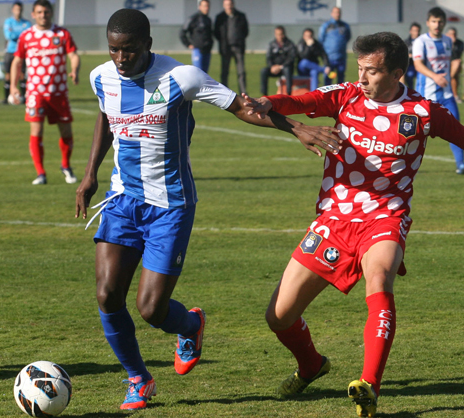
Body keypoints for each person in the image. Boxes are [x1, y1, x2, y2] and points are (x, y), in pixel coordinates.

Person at [245, 31, 464, 418]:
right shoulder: (346, 95)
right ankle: (311, 365)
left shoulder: (423, 113)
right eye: (359, 69)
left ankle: (369, 387)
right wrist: (266, 102)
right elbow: (300, 100)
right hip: (334, 220)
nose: (362, 78)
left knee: (380, 278)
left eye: (371, 72)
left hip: (385, 218)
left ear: (396, 73)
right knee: (278, 316)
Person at [76, 8, 342, 412]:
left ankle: (191, 325)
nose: (120, 59)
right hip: (122, 200)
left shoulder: (183, 77)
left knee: (151, 309)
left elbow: (243, 107)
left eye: (128, 51)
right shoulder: (102, 76)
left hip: (170, 206)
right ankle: (138, 379)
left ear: (147, 44)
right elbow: (105, 118)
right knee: (107, 295)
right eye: (113, 50)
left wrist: (298, 128)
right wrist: (89, 174)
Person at [10, 0, 80, 185]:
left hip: (59, 92)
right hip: (35, 93)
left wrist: (75, 70)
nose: (43, 15)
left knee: (66, 131)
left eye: (46, 12)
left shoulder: (62, 33)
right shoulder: (26, 36)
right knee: (36, 131)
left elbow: (73, 54)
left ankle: (66, 165)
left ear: (51, 13)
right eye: (39, 12)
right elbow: (17, 61)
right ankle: (41, 173)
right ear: (33, 14)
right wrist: (13, 86)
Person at [413, 7, 464, 175]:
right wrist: (434, 76)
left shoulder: (448, 41)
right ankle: (403, 164)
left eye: (440, 21)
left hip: (447, 95)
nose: (437, 25)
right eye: (434, 21)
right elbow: (417, 65)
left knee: (456, 128)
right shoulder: (421, 41)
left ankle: (461, 165)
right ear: (428, 23)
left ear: (444, 23)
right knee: (415, 133)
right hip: (426, 95)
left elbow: (452, 63)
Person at [214, 0, 249, 95]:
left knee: (241, 71)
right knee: (224, 71)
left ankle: (243, 92)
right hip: (225, 48)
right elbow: (216, 33)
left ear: (233, 4)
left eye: (230, 4)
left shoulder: (241, 16)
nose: (228, 6)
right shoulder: (220, 17)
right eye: (226, 4)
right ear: (224, 5)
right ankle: (224, 92)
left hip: (238, 47)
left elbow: (245, 31)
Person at [3, 1, 31, 103]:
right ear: (12, 10)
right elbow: (8, 36)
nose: (18, 12)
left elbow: (28, 36)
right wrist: (21, 35)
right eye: (16, 9)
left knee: (22, 74)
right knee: (8, 75)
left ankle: (23, 97)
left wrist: (16, 34)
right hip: (10, 51)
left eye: (19, 10)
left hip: (22, 51)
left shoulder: (26, 23)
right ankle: (6, 98)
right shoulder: (8, 22)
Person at [261, 26, 297, 96]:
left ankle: (288, 93)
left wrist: (281, 66)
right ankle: (264, 95)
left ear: (284, 34)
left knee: (287, 69)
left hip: (285, 68)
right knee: (263, 71)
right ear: (275, 34)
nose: (280, 36)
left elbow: (291, 58)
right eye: (277, 34)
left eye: (281, 34)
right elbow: (268, 57)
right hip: (275, 68)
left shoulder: (290, 44)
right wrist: (272, 66)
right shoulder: (272, 44)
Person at [319, 6, 351, 85]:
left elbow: (347, 37)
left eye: (339, 12)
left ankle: (340, 97)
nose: (338, 14)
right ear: (331, 13)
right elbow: (320, 39)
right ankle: (327, 97)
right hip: (329, 58)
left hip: (341, 57)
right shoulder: (326, 26)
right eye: (336, 12)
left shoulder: (345, 26)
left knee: (341, 80)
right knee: (328, 79)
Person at [179, 0, 213, 73]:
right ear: (200, 7)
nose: (206, 8)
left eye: (208, 6)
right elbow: (182, 33)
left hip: (207, 51)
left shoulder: (208, 20)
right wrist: (188, 44)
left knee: (205, 75)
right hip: (198, 50)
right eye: (204, 6)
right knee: (198, 73)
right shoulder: (193, 18)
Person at [445, 27, 464, 103]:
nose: (453, 36)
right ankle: (455, 96)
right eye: (451, 34)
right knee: (454, 77)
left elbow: (456, 56)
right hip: (445, 65)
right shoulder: (444, 42)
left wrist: (452, 45)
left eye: (454, 34)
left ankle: (448, 80)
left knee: (457, 62)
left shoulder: (460, 44)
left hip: (455, 65)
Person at [400, 22, 420, 87]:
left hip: (421, 64)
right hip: (410, 65)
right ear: (410, 31)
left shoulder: (422, 42)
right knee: (409, 74)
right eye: (414, 31)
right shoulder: (406, 43)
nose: (416, 33)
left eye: (417, 31)